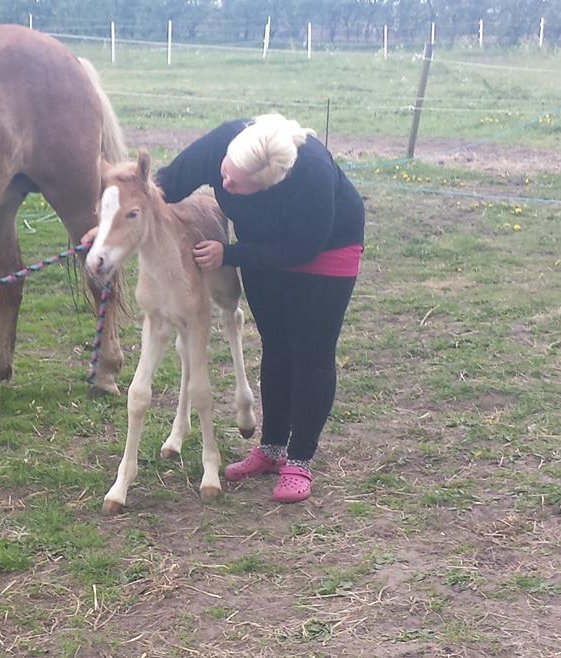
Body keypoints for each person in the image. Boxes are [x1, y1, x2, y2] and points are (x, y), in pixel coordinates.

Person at [88, 114, 364, 503]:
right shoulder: (227, 142)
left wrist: (230, 253)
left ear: (270, 183)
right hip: (259, 246)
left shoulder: (313, 177)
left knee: (312, 350)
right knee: (276, 343)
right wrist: (111, 228)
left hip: (326, 250)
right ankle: (270, 450)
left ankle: (299, 458)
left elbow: (302, 247)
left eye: (237, 184)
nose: (226, 183)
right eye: (225, 174)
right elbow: (162, 185)